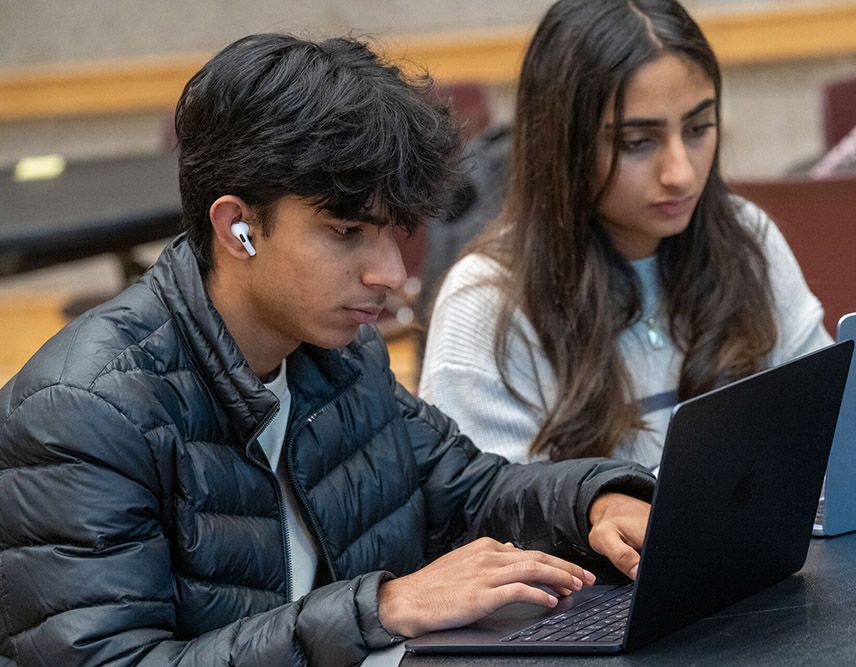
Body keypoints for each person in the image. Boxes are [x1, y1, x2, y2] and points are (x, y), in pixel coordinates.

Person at [0, 34, 656, 666]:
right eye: (345, 232)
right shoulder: (83, 412)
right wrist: (382, 607)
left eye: (393, 233)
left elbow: (467, 490)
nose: (391, 274)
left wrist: (596, 500)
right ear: (238, 227)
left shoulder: (339, 354)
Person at [420, 0, 833, 469]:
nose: (680, 173)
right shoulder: (484, 305)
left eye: (698, 128)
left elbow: (830, 425)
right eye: (637, 143)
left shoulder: (746, 236)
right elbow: (491, 518)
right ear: (564, 147)